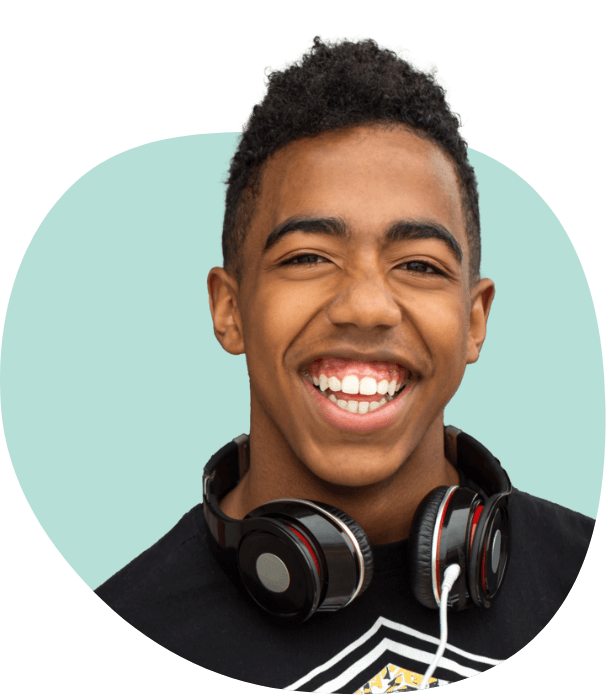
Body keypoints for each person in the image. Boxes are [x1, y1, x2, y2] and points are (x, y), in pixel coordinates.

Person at [95, 36, 594, 690]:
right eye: (307, 257)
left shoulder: (572, 565)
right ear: (230, 308)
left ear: (475, 321)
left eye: (419, 264)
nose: (366, 306)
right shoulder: (133, 616)